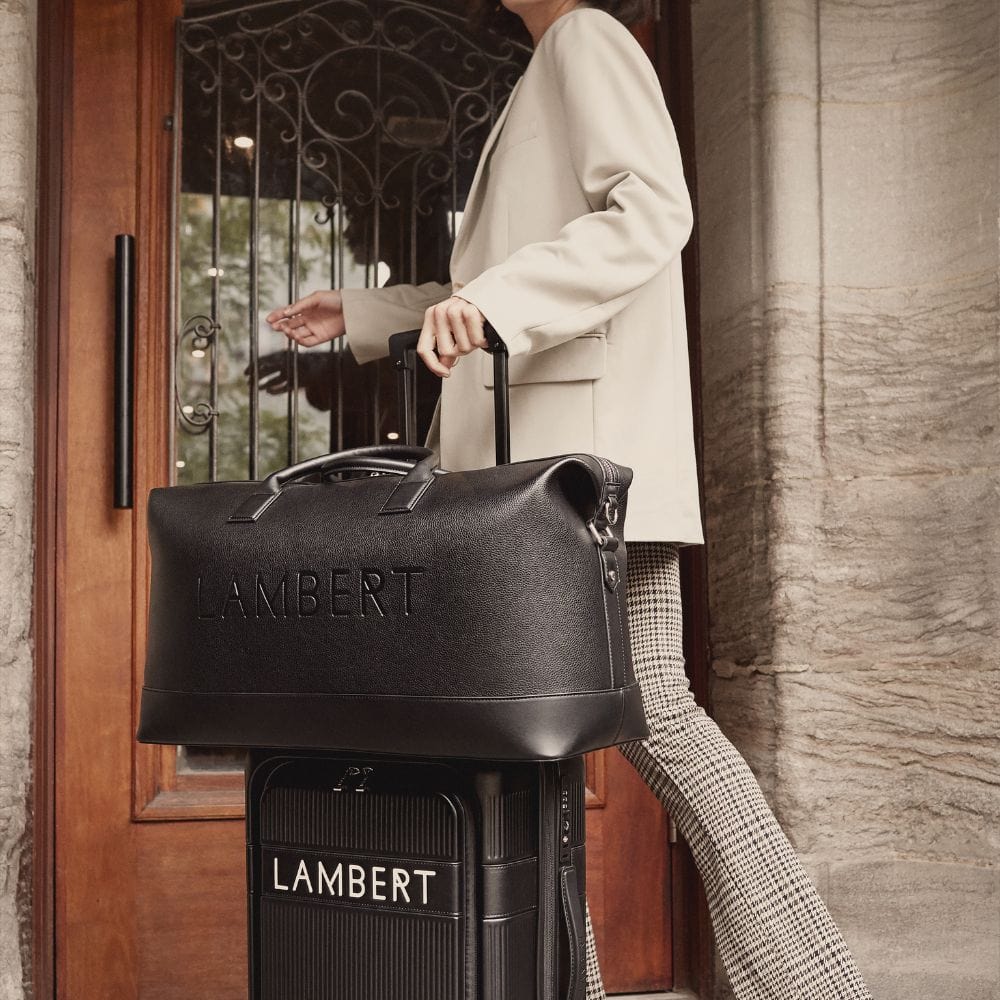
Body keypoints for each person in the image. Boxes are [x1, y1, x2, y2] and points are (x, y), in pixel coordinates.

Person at [266, 2, 875, 997]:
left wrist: (497, 304)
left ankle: (814, 986)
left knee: (653, 715)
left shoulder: (587, 37)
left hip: (577, 475)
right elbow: (499, 278)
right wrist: (372, 311)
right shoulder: (547, 61)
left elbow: (650, 211)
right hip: (543, 477)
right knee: (533, 737)